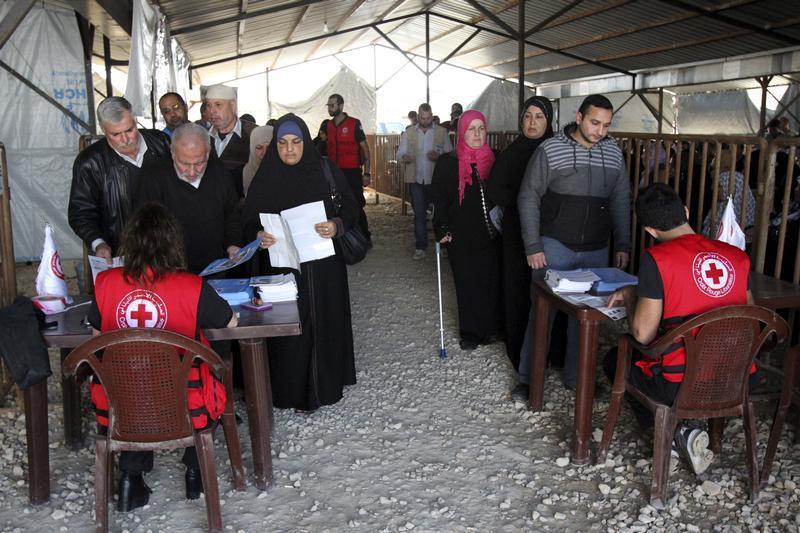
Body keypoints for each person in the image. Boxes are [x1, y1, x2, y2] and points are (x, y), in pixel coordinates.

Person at [87, 203, 237, 510]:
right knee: (206, 374)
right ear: (173, 244)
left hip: (122, 403)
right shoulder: (192, 286)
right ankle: (195, 472)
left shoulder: (106, 283)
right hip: (185, 403)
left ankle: (130, 479)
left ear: (129, 243)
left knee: (134, 386)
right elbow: (229, 321)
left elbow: (94, 336)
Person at [604, 183, 753, 474]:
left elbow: (643, 334)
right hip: (737, 378)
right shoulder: (737, 256)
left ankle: (674, 435)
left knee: (615, 359)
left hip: (680, 384)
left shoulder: (657, 259)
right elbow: (747, 316)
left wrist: (633, 296)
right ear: (686, 212)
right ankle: (686, 433)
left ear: (649, 231)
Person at [243, 113, 358, 411]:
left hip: (322, 270)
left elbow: (353, 209)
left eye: (296, 142)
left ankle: (324, 387)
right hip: (282, 272)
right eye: (282, 143)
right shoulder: (265, 178)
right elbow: (244, 222)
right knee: (288, 333)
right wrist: (258, 235)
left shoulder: (324, 171)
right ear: (274, 146)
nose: (290, 149)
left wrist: (335, 225)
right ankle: (288, 391)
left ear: (306, 143)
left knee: (321, 325)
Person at [517, 93, 631, 391]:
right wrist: (533, 245)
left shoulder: (614, 153)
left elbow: (620, 199)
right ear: (579, 118)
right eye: (594, 122)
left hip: (596, 248)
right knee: (543, 314)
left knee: (587, 319)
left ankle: (578, 379)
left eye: (606, 125)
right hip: (554, 246)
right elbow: (528, 196)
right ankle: (529, 380)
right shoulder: (551, 149)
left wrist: (623, 243)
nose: (600, 131)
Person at [487, 96, 554, 370]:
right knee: (517, 287)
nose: (532, 122)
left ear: (548, 121)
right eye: (528, 116)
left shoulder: (554, 150)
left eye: (539, 117)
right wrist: (525, 199)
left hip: (548, 230)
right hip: (516, 231)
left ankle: (551, 351)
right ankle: (518, 349)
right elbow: (494, 190)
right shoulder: (512, 153)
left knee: (548, 289)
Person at [69, 96, 171, 261]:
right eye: (116, 134)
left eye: (129, 130)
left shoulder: (162, 143)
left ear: (135, 121)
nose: (125, 140)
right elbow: (81, 213)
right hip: (121, 253)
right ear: (103, 129)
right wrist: (98, 243)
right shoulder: (90, 163)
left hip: (167, 248)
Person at [431, 110, 499, 350]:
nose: (477, 133)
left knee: (490, 281)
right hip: (461, 235)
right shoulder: (448, 163)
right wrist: (441, 228)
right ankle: (470, 333)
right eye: (472, 128)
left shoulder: (494, 159)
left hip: (491, 234)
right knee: (467, 282)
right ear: (462, 132)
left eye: (481, 128)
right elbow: (439, 200)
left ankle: (490, 329)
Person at [135, 123, 242, 274]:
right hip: (171, 271)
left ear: (208, 153)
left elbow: (232, 215)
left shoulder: (219, 173)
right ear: (172, 153)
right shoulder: (154, 178)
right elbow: (145, 229)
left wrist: (233, 244)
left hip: (215, 268)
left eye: (199, 163)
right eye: (184, 164)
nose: (192, 172)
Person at [397, 103, 454, 259]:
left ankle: (442, 245)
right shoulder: (408, 133)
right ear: (418, 116)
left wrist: (439, 157)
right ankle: (420, 247)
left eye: (428, 118)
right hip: (416, 179)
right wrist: (404, 157)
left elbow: (450, 155)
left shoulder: (442, 132)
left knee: (440, 213)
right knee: (419, 215)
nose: (426, 120)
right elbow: (399, 153)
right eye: (423, 117)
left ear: (432, 116)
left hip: (436, 180)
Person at [323, 93, 372, 243]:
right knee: (337, 205)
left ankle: (364, 236)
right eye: (329, 105)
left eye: (333, 105)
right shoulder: (328, 125)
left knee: (356, 204)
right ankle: (342, 238)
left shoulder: (354, 124)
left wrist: (367, 173)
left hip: (351, 171)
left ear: (341, 106)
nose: (330, 108)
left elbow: (365, 149)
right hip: (334, 173)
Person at [206, 84, 257, 198]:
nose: (212, 111)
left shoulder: (253, 134)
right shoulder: (202, 137)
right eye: (208, 105)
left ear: (233, 106)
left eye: (218, 105)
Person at [242, 125, 274, 197]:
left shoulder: (284, 174)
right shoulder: (241, 174)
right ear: (252, 147)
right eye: (259, 148)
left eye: (269, 148)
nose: (264, 153)